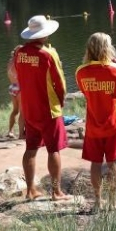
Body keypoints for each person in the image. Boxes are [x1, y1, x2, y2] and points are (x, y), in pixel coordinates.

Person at [14, 15, 70, 201]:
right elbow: (60, 83)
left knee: (30, 148)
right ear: (44, 34)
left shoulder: (19, 53)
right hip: (48, 109)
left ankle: (30, 190)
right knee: (53, 149)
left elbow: (19, 76)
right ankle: (56, 192)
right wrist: (61, 102)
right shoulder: (48, 54)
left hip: (29, 108)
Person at [75, 32, 116, 211]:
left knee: (95, 163)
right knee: (112, 163)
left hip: (92, 125)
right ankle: (113, 202)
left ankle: (98, 202)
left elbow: (85, 93)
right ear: (108, 48)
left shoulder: (81, 71)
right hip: (113, 124)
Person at [7, 45, 25, 139]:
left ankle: (10, 131)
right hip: (20, 88)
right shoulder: (20, 62)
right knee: (23, 112)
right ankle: (21, 135)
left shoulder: (10, 61)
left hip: (12, 87)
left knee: (15, 110)